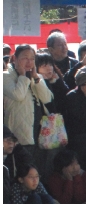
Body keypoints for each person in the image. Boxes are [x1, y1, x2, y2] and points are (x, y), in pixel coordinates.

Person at [4, 45, 54, 176]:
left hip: (39, 133)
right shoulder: (5, 76)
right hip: (18, 134)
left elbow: (47, 98)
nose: (29, 62)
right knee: (21, 173)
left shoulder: (35, 76)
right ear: (14, 58)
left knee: (38, 172)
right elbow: (18, 95)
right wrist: (23, 76)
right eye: (25, 58)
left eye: (32, 58)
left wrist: (37, 78)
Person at [4, 128, 30, 204]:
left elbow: (29, 163)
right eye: (7, 141)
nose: (11, 144)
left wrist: (17, 147)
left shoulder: (7, 163)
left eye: (12, 141)